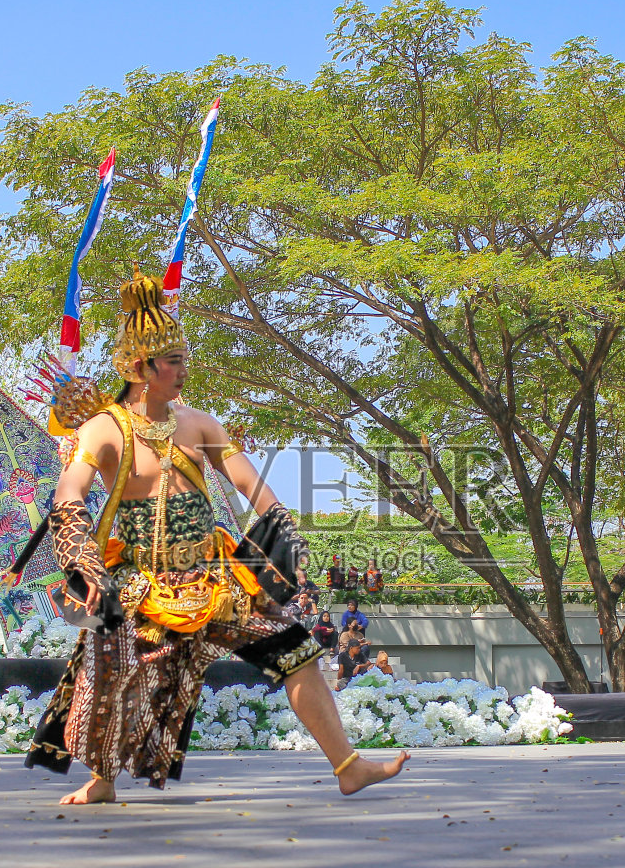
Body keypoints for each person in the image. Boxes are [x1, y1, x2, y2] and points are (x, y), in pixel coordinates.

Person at [24, 268, 407, 804]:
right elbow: (69, 493)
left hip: (216, 579)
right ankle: (102, 781)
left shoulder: (201, 424)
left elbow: (250, 483)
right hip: (139, 584)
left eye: (183, 359)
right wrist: (81, 554)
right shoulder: (103, 429)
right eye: (173, 361)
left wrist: (285, 531)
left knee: (296, 651)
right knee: (107, 681)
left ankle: (348, 766)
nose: (183, 370)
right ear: (139, 367)